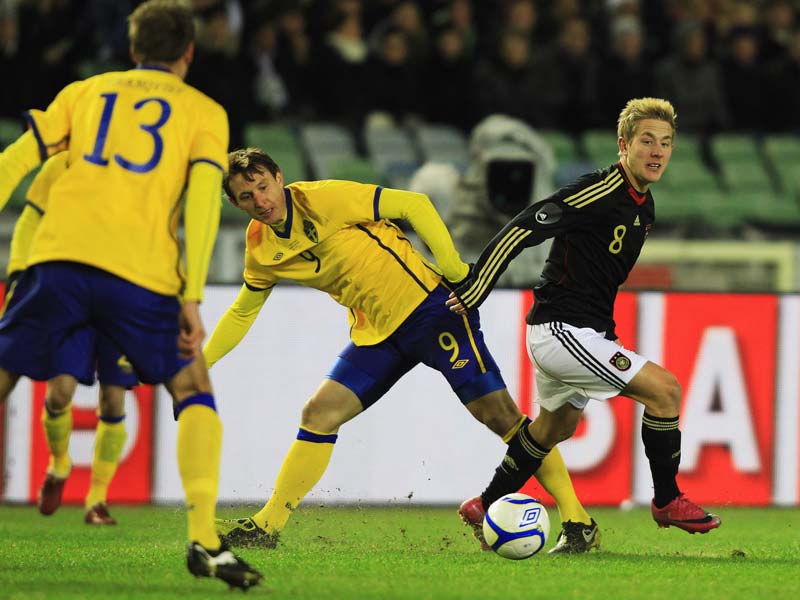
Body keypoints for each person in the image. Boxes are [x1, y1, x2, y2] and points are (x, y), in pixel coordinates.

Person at [205, 146, 600, 555]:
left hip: (432, 311)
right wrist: (202, 364)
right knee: (319, 414)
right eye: (247, 196)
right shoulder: (260, 247)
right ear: (235, 203)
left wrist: (454, 269)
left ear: (279, 178)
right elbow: (242, 311)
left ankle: (578, 521)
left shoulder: (323, 199)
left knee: (502, 417)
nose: (261, 200)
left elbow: (415, 204)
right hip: (378, 334)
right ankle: (267, 525)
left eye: (263, 186)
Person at [0, 0, 261, 589]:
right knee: (192, 388)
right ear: (189, 52)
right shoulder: (205, 112)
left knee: (5, 373)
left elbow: (14, 161)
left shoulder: (84, 91)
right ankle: (204, 540)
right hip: (141, 273)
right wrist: (192, 295)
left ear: (133, 48)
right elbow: (201, 202)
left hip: (58, 259)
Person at [447, 97, 722, 536]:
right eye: (647, 141)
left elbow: (595, 275)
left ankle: (486, 503)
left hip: (580, 330)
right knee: (665, 391)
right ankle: (668, 500)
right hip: (561, 330)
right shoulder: (599, 191)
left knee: (554, 427)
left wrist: (604, 334)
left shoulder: (643, 205)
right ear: (623, 145)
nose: (657, 151)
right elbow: (524, 225)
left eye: (666, 143)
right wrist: (479, 283)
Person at [3, 152, 136, 526]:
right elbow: (31, 217)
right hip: (69, 292)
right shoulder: (63, 163)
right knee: (60, 392)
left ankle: (97, 499)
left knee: (114, 398)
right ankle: (59, 463)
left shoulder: (143, 169)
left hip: (123, 296)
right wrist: (18, 271)